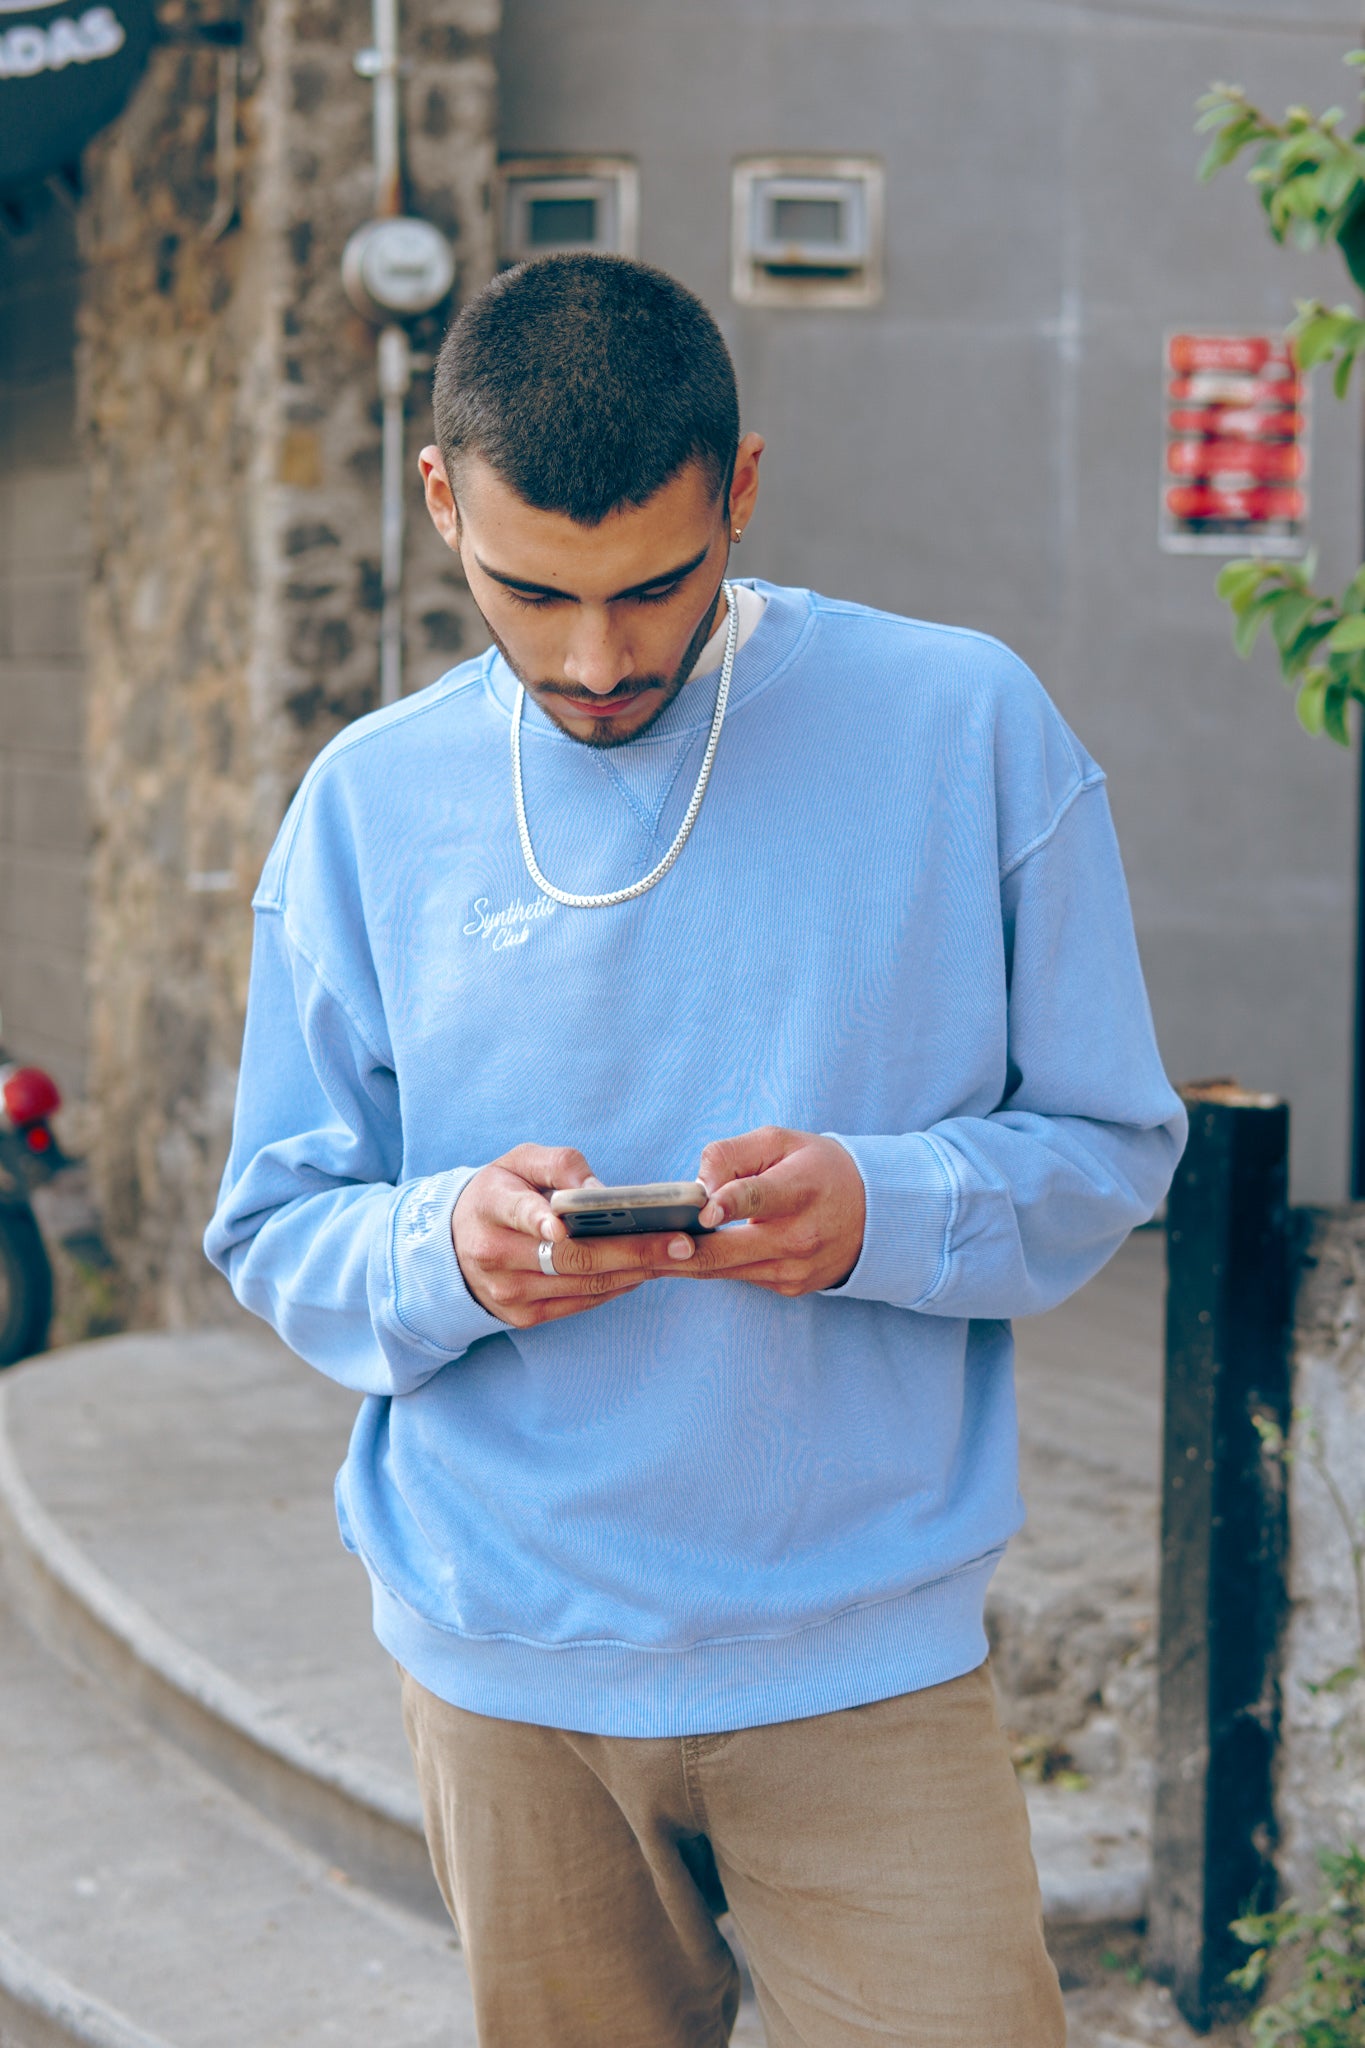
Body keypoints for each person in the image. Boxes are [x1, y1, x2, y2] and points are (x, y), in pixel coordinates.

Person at [205, 253, 1186, 2047]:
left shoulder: (967, 730)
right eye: (534, 595)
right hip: (502, 1677)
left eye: (657, 587)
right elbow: (275, 1221)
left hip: (866, 1665)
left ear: (740, 487)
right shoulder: (363, 801)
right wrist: (447, 1253)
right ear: (440, 501)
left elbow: (1111, 1143)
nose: (599, 660)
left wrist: (881, 1207)